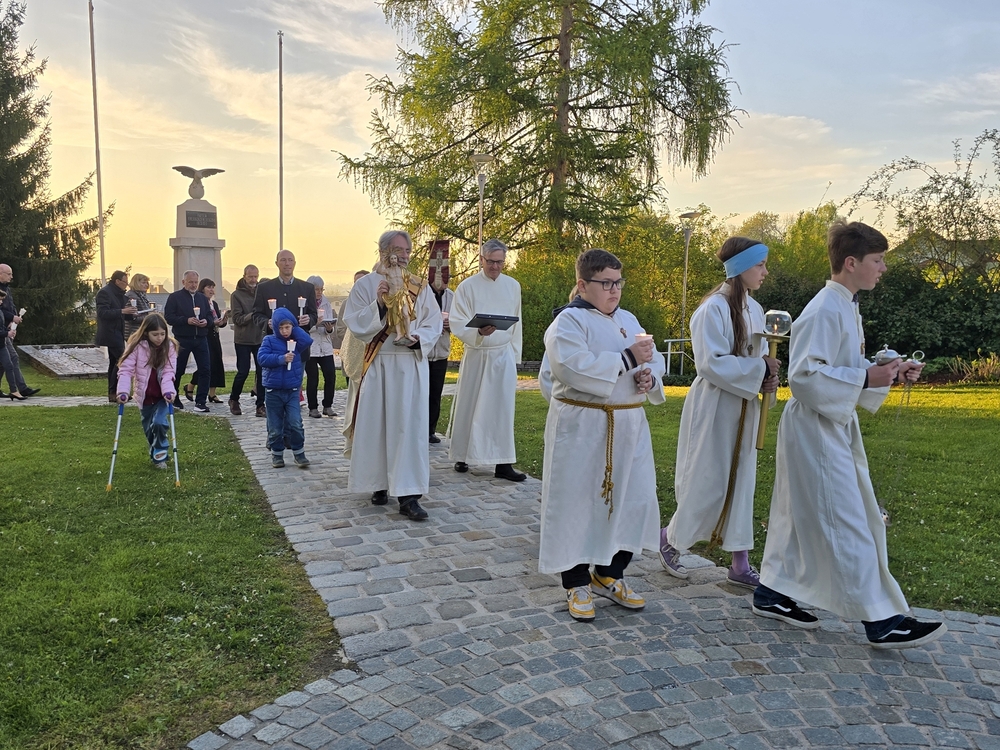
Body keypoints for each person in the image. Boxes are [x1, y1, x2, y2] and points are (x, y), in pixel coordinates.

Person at [753, 221, 946, 650]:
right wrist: (865, 378)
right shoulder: (825, 308)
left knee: (798, 512)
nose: (883, 268)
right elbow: (804, 376)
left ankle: (771, 591)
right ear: (852, 262)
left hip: (827, 423)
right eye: (878, 260)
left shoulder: (846, 305)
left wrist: (888, 370)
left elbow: (842, 364)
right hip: (814, 425)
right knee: (847, 516)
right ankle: (881, 619)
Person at [538, 249, 665, 622]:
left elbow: (653, 358)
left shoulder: (628, 319)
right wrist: (628, 359)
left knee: (633, 499)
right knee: (578, 502)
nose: (615, 290)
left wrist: (649, 376)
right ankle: (576, 581)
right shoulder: (568, 322)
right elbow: (570, 367)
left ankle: (609, 573)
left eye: (618, 282)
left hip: (628, 425)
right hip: (584, 426)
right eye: (606, 283)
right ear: (582, 285)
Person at [659, 237, 779, 589]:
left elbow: (759, 357)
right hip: (715, 406)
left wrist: (767, 378)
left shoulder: (755, 309)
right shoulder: (712, 309)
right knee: (707, 479)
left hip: (745, 405)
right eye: (760, 265)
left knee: (742, 481)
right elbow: (710, 363)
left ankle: (740, 563)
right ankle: (669, 538)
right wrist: (759, 369)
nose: (765, 272)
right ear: (741, 267)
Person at [343, 230, 442, 521]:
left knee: (408, 429)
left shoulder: (418, 286)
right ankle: (379, 483)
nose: (404, 256)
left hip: (409, 364)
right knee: (377, 426)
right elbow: (354, 321)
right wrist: (378, 304)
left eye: (408, 250)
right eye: (399, 250)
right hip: (379, 363)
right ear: (384, 251)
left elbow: (433, 321)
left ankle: (409, 495)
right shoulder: (366, 285)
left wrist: (419, 338)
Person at [447, 239, 525, 479]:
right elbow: (457, 321)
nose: (495, 267)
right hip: (478, 354)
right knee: (470, 405)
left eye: (500, 262)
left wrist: (514, 355)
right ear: (482, 259)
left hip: (502, 354)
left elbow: (517, 322)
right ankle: (462, 455)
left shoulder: (512, 285)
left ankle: (503, 463)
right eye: (491, 261)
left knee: (502, 410)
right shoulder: (467, 287)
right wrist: (478, 333)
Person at [115, 313, 178, 469]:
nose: (159, 338)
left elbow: (169, 371)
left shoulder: (169, 346)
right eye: (155, 334)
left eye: (162, 334)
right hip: (144, 396)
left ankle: (160, 455)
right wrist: (123, 391)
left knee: (159, 423)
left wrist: (168, 390)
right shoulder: (136, 346)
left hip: (163, 395)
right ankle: (155, 452)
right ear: (146, 333)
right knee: (149, 429)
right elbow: (126, 370)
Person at [257, 307, 313, 469]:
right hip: (273, 391)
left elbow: (307, 340)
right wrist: (281, 359)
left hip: (292, 390)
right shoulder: (269, 340)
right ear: (275, 327)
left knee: (296, 423)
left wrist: (295, 327)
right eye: (280, 327)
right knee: (275, 426)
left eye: (287, 327)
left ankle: (299, 453)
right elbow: (262, 358)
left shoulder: (296, 342)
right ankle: (277, 454)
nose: (284, 331)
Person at [164, 270, 212, 413]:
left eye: (196, 282)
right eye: (190, 282)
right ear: (183, 282)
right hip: (182, 339)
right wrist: (186, 320)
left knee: (205, 369)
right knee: (178, 369)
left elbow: (209, 315)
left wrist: (206, 321)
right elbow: (169, 317)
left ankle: (201, 401)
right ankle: (174, 398)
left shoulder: (202, 298)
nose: (193, 285)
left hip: (201, 338)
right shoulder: (175, 297)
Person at [252, 249, 317, 337]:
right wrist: (266, 323)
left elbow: (314, 314)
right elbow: (256, 314)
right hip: (274, 340)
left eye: (290, 260)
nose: (287, 263)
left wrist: (309, 319)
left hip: (300, 340)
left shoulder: (307, 288)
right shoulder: (264, 288)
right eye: (283, 260)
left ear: (294, 263)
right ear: (277, 263)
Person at [184, 278, 228, 404]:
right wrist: (212, 322)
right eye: (209, 287)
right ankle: (190, 385)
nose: (211, 290)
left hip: (214, 335)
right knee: (207, 364)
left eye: (213, 287)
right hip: (204, 336)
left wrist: (223, 322)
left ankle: (212, 393)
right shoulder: (199, 302)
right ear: (202, 288)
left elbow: (217, 320)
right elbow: (203, 319)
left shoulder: (214, 304)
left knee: (217, 363)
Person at [230, 265, 265, 417]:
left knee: (262, 372)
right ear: (244, 276)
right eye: (250, 277)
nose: (253, 280)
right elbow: (237, 319)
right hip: (243, 339)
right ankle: (234, 399)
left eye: (255, 276)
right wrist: (253, 315)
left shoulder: (261, 292)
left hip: (259, 338)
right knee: (243, 371)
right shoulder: (236, 295)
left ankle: (260, 405)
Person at [96, 270, 136, 402]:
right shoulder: (105, 293)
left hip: (118, 331)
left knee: (115, 362)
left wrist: (131, 313)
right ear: (117, 281)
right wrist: (122, 311)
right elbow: (103, 313)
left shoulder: (121, 295)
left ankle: (114, 392)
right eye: (125, 282)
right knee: (122, 360)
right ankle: (115, 392)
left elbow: (123, 314)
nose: (126, 285)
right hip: (110, 332)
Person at [0, 264, 39, 399]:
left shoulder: (6, 289)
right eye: (9, 274)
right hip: (2, 330)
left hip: (7, 328)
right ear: (0, 274)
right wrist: (12, 317)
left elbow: (11, 306)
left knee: (4, 361)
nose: (11, 277)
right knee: (12, 357)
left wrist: (14, 320)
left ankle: (18, 388)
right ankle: (21, 388)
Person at [303, 275, 338, 418]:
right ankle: (313, 407)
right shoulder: (303, 304)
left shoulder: (326, 302)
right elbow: (302, 327)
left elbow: (329, 328)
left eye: (321, 289)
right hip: (310, 346)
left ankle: (327, 405)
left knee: (330, 375)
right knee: (313, 378)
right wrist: (315, 324)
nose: (319, 292)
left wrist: (329, 328)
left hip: (325, 346)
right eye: (316, 289)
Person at [427, 266, 453, 443]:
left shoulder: (452, 296)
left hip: (441, 352)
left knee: (436, 394)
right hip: (424, 353)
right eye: (442, 277)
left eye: (448, 277)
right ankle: (417, 428)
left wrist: (452, 325)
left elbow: (460, 321)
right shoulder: (422, 294)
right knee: (420, 394)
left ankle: (430, 430)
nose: (446, 280)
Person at [124, 273, 154, 339]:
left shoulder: (141, 295)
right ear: (136, 283)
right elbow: (131, 317)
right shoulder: (132, 296)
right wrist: (149, 316)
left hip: (140, 331)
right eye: (143, 283)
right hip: (134, 332)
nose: (146, 285)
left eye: (147, 283)